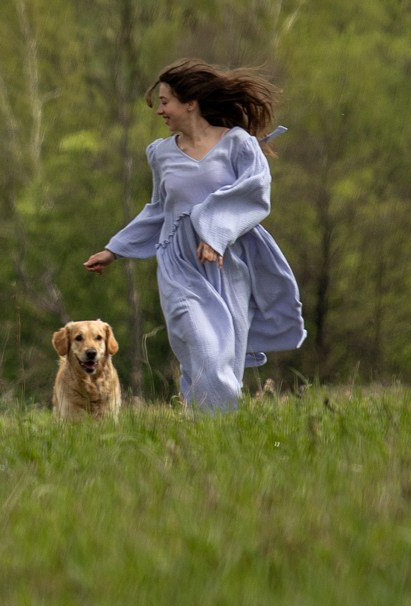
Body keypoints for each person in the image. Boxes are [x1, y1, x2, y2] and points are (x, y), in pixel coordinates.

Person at [84, 59, 305, 413]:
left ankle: (211, 433)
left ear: (191, 102)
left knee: (225, 358)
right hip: (179, 265)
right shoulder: (161, 154)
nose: (160, 110)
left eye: (165, 101)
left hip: (229, 266)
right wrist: (115, 249)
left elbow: (255, 193)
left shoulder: (238, 145)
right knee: (203, 347)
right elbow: (158, 210)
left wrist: (215, 235)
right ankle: (216, 425)